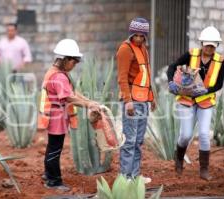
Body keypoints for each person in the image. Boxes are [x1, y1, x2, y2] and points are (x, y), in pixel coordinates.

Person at [38, 39, 101, 191]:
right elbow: (68, 97)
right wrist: (88, 105)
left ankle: (48, 175)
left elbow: (72, 92)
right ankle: (54, 181)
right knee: (55, 148)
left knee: (52, 147)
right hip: (56, 116)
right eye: (74, 61)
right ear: (65, 59)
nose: (75, 64)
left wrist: (89, 101)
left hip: (54, 115)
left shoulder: (56, 72)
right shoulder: (59, 77)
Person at [167, 26, 224, 180]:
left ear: (216, 46)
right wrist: (171, 82)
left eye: (212, 46)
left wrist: (206, 91)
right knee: (185, 135)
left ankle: (204, 170)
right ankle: (179, 159)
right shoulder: (191, 55)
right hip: (186, 100)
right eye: (207, 45)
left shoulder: (220, 61)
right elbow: (173, 66)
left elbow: (219, 84)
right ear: (201, 44)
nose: (209, 48)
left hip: (205, 102)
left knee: (205, 135)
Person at [116, 17, 156, 181]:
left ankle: (135, 175)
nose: (139, 38)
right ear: (131, 34)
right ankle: (125, 177)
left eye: (142, 36)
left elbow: (146, 75)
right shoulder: (125, 49)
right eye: (136, 35)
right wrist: (128, 101)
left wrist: (151, 98)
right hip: (132, 101)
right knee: (130, 140)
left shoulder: (143, 49)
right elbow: (122, 78)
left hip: (143, 100)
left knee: (138, 141)